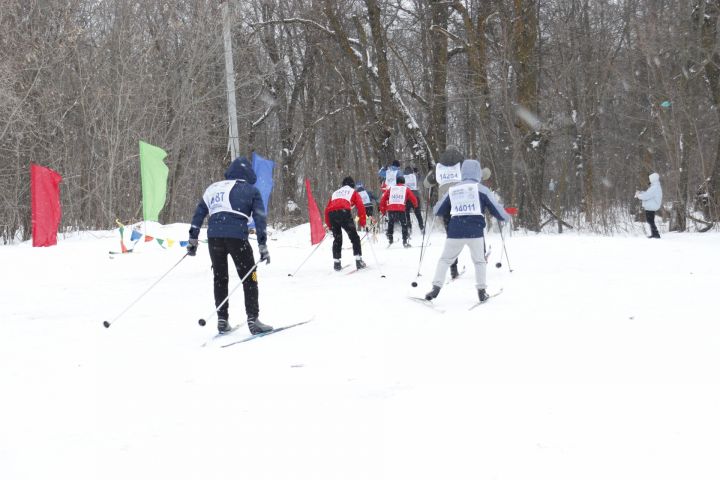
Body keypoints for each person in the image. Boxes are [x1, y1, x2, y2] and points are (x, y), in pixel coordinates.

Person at [187, 157, 272, 335]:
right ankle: (253, 319)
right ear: (249, 174)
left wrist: (193, 239)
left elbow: (199, 213)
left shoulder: (213, 188)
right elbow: (259, 218)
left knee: (220, 278)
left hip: (214, 236)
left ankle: (222, 319)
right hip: (236, 236)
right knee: (250, 277)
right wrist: (262, 245)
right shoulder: (251, 190)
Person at [425, 159, 510, 303]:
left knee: (445, 260)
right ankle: (482, 291)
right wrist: (505, 217)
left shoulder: (454, 189)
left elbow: (438, 210)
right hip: (475, 233)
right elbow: (496, 210)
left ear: (462, 172)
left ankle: (435, 288)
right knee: (479, 261)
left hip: (455, 232)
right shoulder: (482, 189)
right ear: (478, 173)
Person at [423, 146, 465, 278]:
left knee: (451, 236)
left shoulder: (439, 167)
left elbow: (426, 184)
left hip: (446, 204)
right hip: (462, 202)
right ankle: (481, 254)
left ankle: (453, 267)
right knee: (472, 231)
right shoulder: (462, 164)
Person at [325, 176, 367, 271]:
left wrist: (329, 225)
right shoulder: (353, 191)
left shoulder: (335, 193)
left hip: (332, 214)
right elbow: (360, 206)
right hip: (343, 212)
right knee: (354, 237)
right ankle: (358, 260)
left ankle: (336, 263)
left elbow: (327, 209)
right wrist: (363, 221)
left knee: (337, 239)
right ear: (352, 185)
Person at [379, 175, 418, 247]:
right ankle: (405, 241)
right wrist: (415, 206)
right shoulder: (405, 189)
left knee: (391, 223)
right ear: (404, 182)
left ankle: (390, 238)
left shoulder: (391, 189)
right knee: (404, 224)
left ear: (396, 182)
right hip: (401, 209)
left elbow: (383, 200)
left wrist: (383, 210)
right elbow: (413, 198)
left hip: (391, 209)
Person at [635, 172, 663, 239]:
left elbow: (646, 196)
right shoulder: (655, 186)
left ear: (653, 179)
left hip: (651, 206)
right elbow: (648, 194)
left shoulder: (654, 187)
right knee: (650, 220)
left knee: (650, 220)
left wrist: (638, 195)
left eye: (650, 179)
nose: (649, 180)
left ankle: (656, 234)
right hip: (651, 206)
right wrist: (641, 193)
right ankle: (654, 234)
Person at [403, 166, 424, 235]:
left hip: (406, 197)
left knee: (406, 214)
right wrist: (416, 171)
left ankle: (409, 228)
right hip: (415, 196)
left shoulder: (403, 177)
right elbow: (420, 177)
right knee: (418, 213)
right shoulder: (414, 176)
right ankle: (422, 228)